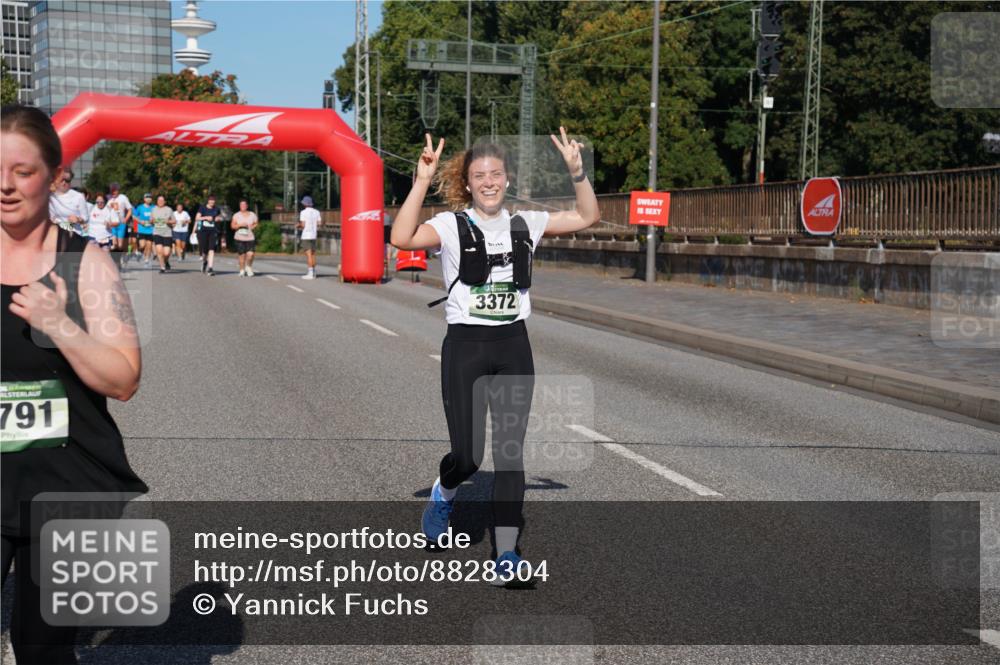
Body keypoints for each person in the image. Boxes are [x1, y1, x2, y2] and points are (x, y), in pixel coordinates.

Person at [391, 129, 599, 587]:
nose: (488, 182)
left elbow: (587, 216)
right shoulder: (450, 225)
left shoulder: (527, 223)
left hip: (512, 346)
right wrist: (421, 179)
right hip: (465, 346)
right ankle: (444, 493)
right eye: (479, 175)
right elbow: (402, 236)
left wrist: (576, 170)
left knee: (509, 455)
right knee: (468, 457)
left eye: (496, 174)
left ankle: (506, 554)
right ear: (468, 182)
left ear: (507, 179)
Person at [2, 104, 147, 664]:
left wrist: (57, 324)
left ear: (54, 175)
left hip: (65, 486)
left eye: (23, 171)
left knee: (41, 650)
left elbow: (124, 380)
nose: (6, 186)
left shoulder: (86, 263)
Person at [47, 167, 89, 236]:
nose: (64, 183)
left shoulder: (78, 196)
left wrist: (78, 219)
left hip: (74, 234)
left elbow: (86, 218)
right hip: (56, 234)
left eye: (67, 180)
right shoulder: (50, 195)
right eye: (62, 179)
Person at [231, 198, 258, 277]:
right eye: (241, 205)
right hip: (239, 238)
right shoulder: (236, 215)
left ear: (247, 206)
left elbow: (256, 223)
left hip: (250, 238)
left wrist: (253, 227)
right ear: (239, 206)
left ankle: (248, 267)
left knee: (251, 254)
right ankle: (242, 270)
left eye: (244, 205)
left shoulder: (252, 214)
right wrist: (240, 225)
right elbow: (232, 226)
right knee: (241, 255)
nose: (242, 206)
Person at [107, 182, 132, 267]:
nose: (113, 192)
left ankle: (122, 257)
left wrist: (126, 219)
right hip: (113, 224)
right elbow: (106, 212)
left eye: (115, 190)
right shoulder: (109, 201)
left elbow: (130, 210)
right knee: (114, 244)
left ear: (118, 190)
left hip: (121, 223)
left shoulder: (123, 198)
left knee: (120, 245)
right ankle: (115, 261)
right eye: (112, 191)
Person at [196, 194, 221, 276]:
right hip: (203, 231)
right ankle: (204, 262)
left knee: (212, 249)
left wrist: (217, 219)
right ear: (208, 201)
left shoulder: (216, 209)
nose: (212, 202)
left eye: (213, 200)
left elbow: (219, 217)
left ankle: (210, 268)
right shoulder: (202, 208)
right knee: (204, 251)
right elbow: (197, 218)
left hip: (213, 231)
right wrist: (206, 217)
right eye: (211, 200)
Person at [297, 195, 321, 279]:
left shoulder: (303, 212)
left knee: (309, 255)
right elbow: (319, 224)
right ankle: (313, 272)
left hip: (306, 235)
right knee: (313, 254)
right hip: (314, 235)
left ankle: (310, 274)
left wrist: (298, 225)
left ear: (305, 204)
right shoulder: (317, 212)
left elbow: (303, 225)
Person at [151, 195, 174, 273]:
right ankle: (162, 267)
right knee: (159, 251)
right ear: (157, 201)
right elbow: (151, 220)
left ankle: (166, 261)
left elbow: (174, 221)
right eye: (159, 200)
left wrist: (168, 222)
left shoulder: (169, 209)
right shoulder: (153, 209)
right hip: (157, 232)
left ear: (165, 202)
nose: (160, 202)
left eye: (162, 200)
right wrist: (152, 221)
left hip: (167, 233)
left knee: (166, 253)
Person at [133, 192, 155, 267]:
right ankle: (139, 252)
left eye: (150, 198)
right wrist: (140, 221)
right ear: (144, 199)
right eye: (147, 197)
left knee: (149, 245)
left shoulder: (154, 207)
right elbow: (134, 216)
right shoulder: (140, 207)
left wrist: (154, 220)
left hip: (150, 229)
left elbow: (157, 216)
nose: (149, 199)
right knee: (142, 245)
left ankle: (146, 260)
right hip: (142, 229)